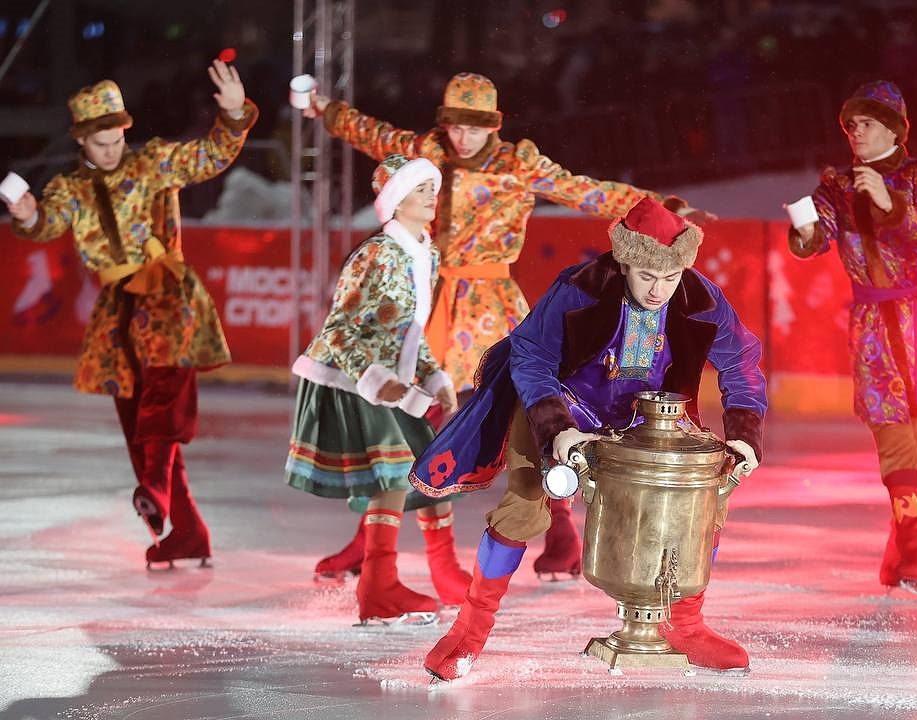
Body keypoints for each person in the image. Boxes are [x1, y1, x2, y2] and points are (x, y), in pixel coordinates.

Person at [306, 72, 713, 580]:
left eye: (474, 128)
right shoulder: (425, 153)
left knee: (524, 415)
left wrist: (662, 209)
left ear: (493, 126)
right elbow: (374, 134)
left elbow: (582, 190)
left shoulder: (517, 164)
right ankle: (373, 544)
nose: (462, 137)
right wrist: (321, 108)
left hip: (490, 302)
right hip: (430, 302)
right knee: (408, 420)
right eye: (454, 125)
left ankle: (560, 531)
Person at [409, 197, 767, 679]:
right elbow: (531, 357)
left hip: (648, 418)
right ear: (624, 261)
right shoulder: (581, 289)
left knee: (704, 500)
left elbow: (742, 363)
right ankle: (469, 632)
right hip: (562, 403)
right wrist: (558, 428)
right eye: (646, 276)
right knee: (523, 506)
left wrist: (744, 436)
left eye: (670, 277)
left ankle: (684, 624)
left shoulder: (701, 297)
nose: (659, 289)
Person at [3, 60, 258, 568]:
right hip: (118, 308)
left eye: (117, 136)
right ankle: (187, 531)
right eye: (100, 142)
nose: (112, 147)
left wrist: (232, 117)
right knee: (134, 419)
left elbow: (210, 155)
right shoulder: (70, 188)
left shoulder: (155, 163)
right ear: (81, 143)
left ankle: (157, 494)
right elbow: (47, 221)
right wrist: (28, 215)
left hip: (167, 295)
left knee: (162, 402)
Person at [788, 81, 917, 599]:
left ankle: (903, 541)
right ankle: (915, 546)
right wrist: (805, 228)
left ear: (892, 128)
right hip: (876, 327)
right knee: (891, 429)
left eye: (863, 123)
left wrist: (892, 203)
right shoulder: (837, 184)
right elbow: (817, 236)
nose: (854, 133)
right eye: (849, 126)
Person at [284, 154, 473, 621]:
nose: (433, 195)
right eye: (420, 188)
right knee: (392, 475)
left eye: (434, 187)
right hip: (353, 380)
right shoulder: (376, 254)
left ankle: (443, 571)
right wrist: (374, 378)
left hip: (393, 383)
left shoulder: (426, 253)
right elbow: (338, 327)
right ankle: (378, 585)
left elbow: (410, 332)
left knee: (432, 470)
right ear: (395, 200)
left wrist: (434, 377)